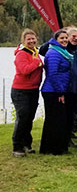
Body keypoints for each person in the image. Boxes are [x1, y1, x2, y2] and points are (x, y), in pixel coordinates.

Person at [40, 29, 73, 155]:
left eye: (66, 38)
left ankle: (52, 147)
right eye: (62, 38)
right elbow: (52, 74)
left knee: (57, 120)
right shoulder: (54, 52)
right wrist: (60, 93)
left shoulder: (63, 52)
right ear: (56, 40)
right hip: (53, 91)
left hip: (59, 89)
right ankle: (54, 148)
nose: (64, 40)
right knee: (55, 120)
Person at [11, 29, 43, 157]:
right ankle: (17, 146)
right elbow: (24, 70)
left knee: (29, 118)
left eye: (33, 38)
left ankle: (26, 143)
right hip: (21, 90)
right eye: (28, 39)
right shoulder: (22, 54)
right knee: (22, 118)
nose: (31, 41)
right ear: (23, 41)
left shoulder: (35, 52)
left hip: (33, 89)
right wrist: (36, 62)